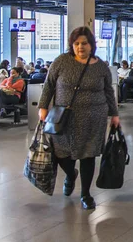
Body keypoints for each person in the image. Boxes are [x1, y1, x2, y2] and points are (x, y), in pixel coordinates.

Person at [38, 26, 119, 210]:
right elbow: (49, 85)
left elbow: (108, 91)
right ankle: (70, 174)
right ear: (71, 45)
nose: (80, 47)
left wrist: (114, 114)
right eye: (76, 43)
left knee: (88, 155)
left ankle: (86, 194)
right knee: (60, 154)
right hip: (63, 118)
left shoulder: (100, 66)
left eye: (84, 43)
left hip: (94, 118)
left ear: (92, 45)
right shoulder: (61, 62)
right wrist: (43, 106)